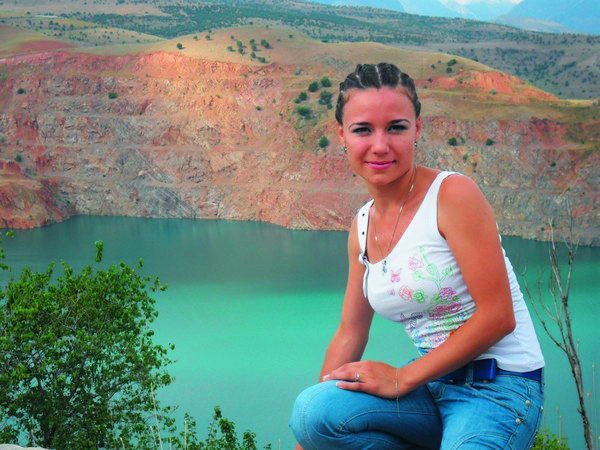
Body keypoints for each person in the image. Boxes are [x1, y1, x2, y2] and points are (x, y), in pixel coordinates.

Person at [289, 62, 545, 450]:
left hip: (499, 387)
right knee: (311, 413)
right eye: (362, 129)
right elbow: (350, 331)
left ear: (417, 129)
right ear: (341, 134)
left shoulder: (452, 195)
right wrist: (307, 441)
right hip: (431, 387)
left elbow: (498, 317)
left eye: (396, 128)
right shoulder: (362, 226)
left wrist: (401, 379)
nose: (380, 145)